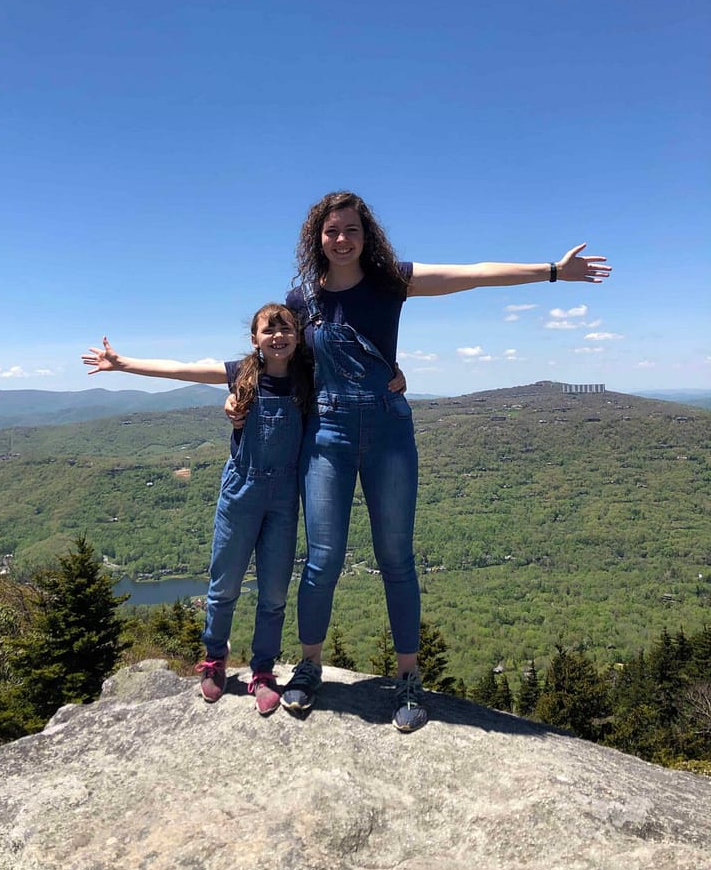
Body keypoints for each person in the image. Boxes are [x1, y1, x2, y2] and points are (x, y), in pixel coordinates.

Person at [275, 190, 611, 733]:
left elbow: (472, 274)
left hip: (387, 429)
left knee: (396, 558)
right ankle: (310, 666)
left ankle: (408, 677)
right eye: (332, 230)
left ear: (367, 236)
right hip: (327, 434)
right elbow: (279, 364)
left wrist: (552, 270)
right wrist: (239, 396)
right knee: (321, 559)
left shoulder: (390, 281)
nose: (342, 239)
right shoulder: (299, 301)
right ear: (318, 236)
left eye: (352, 230)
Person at [81, 303, 313, 715]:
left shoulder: (307, 379)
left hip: (283, 497)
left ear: (297, 337)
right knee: (224, 585)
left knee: (274, 592)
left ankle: (262, 671)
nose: (278, 336)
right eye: (268, 330)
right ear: (254, 339)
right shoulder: (241, 374)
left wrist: (394, 377)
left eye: (286, 330)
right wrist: (122, 364)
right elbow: (180, 369)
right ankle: (214, 661)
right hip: (241, 490)